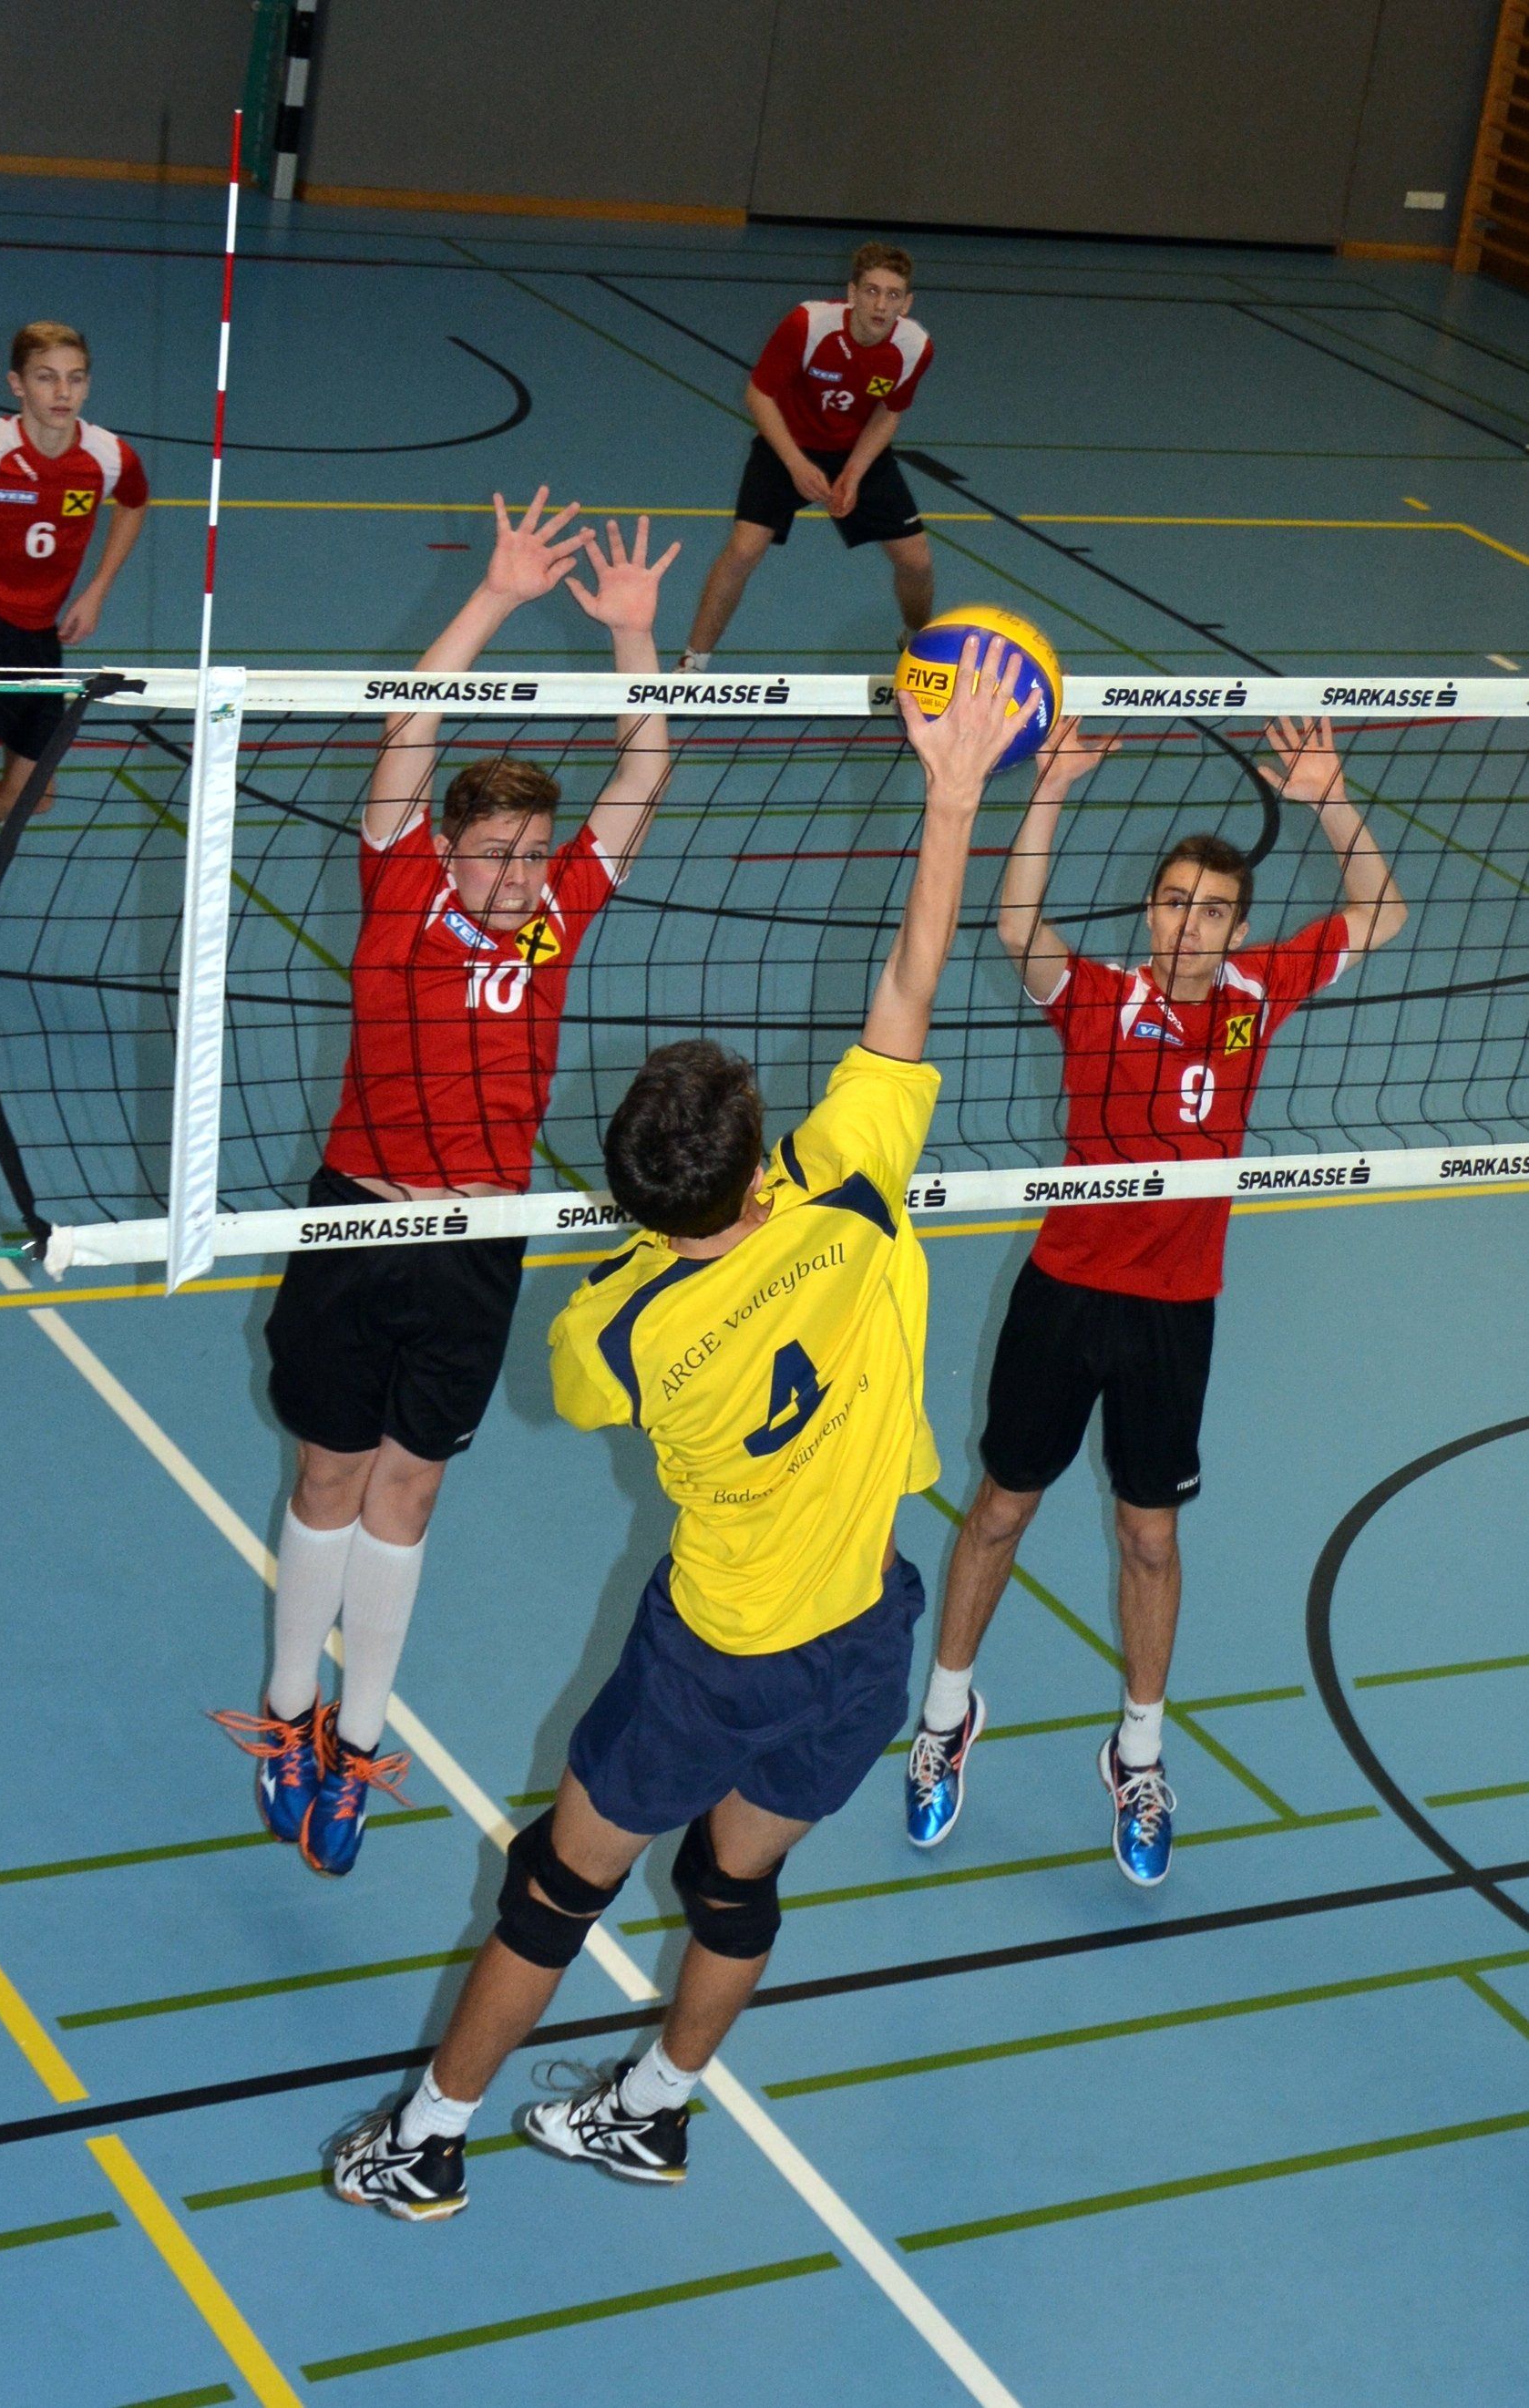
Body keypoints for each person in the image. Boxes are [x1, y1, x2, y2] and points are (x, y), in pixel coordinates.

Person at [329, 641, 1041, 2221]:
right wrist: (950, 797)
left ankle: (426, 2137)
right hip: (864, 1630)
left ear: (636, 1195)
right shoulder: (852, 1191)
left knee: (553, 1887)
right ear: (755, 1148)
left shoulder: (616, 1328)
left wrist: (647, 1253)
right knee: (734, 1882)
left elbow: (590, 1368)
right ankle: (652, 2109)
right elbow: (911, 983)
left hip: (713, 1650)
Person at [212, 490, 679, 1878]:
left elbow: (647, 764)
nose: (521, 875)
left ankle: (356, 1743)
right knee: (329, 1470)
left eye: (535, 853)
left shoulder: (559, 912)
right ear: (448, 845)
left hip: (480, 1238)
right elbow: (409, 720)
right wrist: (495, 596)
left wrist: (634, 636)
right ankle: (289, 1710)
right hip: (359, 1214)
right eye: (498, 853)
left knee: (408, 1492)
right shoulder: (399, 882)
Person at [904, 714, 1408, 1885]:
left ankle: (1137, 1753)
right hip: (1064, 1293)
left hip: (1176, 1308)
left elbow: (1380, 911)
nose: (1190, 923)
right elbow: (1015, 926)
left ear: (1237, 927)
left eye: (1213, 909)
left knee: (1149, 1534)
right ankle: (945, 1716)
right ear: (1149, 912)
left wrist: (1331, 795)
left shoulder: (1254, 995)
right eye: (1175, 902)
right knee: (999, 1510)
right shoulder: (1094, 996)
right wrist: (1048, 789)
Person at [0, 321, 149, 1003]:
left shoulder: (108, 456)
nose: (62, 392)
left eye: (75, 378)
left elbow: (133, 504)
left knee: (31, 798)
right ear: (17, 385)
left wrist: (99, 588)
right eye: (46, 378)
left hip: (38, 642)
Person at [679, 242, 935, 671]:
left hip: (856, 450)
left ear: (906, 303)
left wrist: (854, 472)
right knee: (743, 550)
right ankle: (693, 662)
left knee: (917, 561)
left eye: (893, 295)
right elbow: (759, 395)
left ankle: (919, 646)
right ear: (852, 293)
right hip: (787, 445)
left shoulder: (915, 347)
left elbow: (889, 412)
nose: (881, 304)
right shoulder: (808, 324)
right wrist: (796, 464)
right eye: (871, 291)